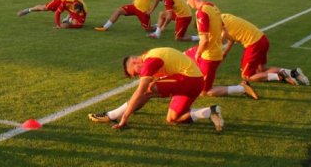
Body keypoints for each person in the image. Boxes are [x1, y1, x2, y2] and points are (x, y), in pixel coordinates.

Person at [88, 47, 224, 133]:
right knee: (172, 118)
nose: (137, 75)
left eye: (135, 73)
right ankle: (210, 112)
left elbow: (140, 92)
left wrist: (124, 117)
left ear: (135, 62)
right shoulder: (147, 56)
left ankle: (112, 115)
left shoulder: (149, 61)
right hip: (194, 82)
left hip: (189, 79)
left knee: (147, 89)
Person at [221, 13, 308, 86]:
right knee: (262, 70)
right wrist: (225, 52)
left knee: (246, 76)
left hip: (254, 45)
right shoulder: (225, 17)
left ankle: (280, 75)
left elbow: (221, 40)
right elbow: (231, 38)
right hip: (263, 39)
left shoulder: (217, 26)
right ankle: (293, 73)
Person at [183, 0, 224, 96]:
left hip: (210, 56)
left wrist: (199, 53)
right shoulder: (212, 6)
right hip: (215, 50)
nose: (187, 3)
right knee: (184, 56)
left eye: (187, 0)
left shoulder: (201, 13)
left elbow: (204, 40)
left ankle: (240, 88)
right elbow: (223, 28)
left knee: (204, 92)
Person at [17, 0, 87, 29]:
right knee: (45, 8)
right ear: (73, 7)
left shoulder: (84, 12)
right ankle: (28, 10)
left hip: (72, 5)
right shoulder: (67, 2)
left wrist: (69, 26)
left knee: (74, 22)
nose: (77, 13)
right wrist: (58, 25)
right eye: (75, 12)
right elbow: (57, 13)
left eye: (78, 12)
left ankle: (69, 18)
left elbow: (79, 25)